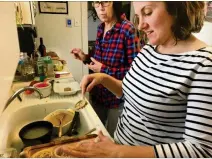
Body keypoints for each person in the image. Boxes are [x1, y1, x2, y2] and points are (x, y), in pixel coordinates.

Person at [60, 1, 212, 158]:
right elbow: (130, 93)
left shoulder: (204, 65)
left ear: (177, 8)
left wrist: (118, 152)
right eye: (138, 15)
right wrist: (103, 78)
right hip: (117, 146)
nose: (140, 26)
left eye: (147, 13)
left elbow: (201, 150)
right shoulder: (149, 49)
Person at [70, 1, 139, 136]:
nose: (101, 8)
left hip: (117, 100)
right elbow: (98, 62)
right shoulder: (101, 28)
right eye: (97, 3)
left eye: (105, 2)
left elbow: (135, 72)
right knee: (95, 134)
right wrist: (85, 57)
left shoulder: (128, 29)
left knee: (113, 140)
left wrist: (104, 70)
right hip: (98, 95)